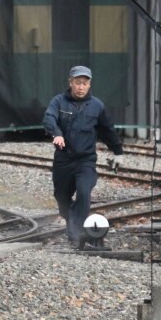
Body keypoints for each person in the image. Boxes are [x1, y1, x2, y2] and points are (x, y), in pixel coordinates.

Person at [43, 65, 124, 248]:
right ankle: (73, 221)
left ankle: (76, 235)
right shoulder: (58, 102)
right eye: (78, 83)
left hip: (86, 160)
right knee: (61, 197)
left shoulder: (97, 106)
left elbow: (107, 130)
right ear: (70, 82)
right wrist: (56, 133)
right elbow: (49, 118)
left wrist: (118, 152)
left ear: (89, 85)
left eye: (85, 83)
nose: (81, 87)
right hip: (63, 160)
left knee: (84, 193)